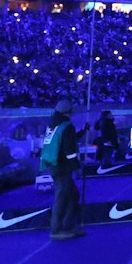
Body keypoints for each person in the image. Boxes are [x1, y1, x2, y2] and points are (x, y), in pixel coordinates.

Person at [45, 100, 84, 240]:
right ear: (69, 112)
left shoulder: (52, 125)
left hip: (53, 164)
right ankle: (56, 230)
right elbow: (70, 151)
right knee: (62, 197)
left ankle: (68, 225)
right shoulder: (67, 126)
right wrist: (77, 167)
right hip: (62, 166)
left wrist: (83, 132)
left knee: (72, 195)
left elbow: (66, 141)